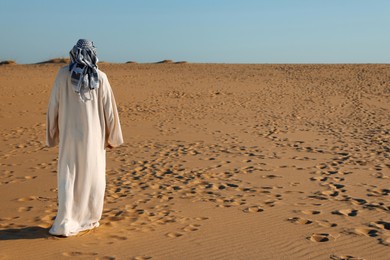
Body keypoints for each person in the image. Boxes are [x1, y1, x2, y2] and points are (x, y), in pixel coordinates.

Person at [46, 39, 123, 236]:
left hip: (69, 136)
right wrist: (113, 137)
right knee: (93, 176)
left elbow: (53, 106)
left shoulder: (63, 75)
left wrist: (52, 134)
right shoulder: (101, 77)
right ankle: (88, 218)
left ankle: (66, 220)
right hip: (94, 138)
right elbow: (110, 112)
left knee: (69, 176)